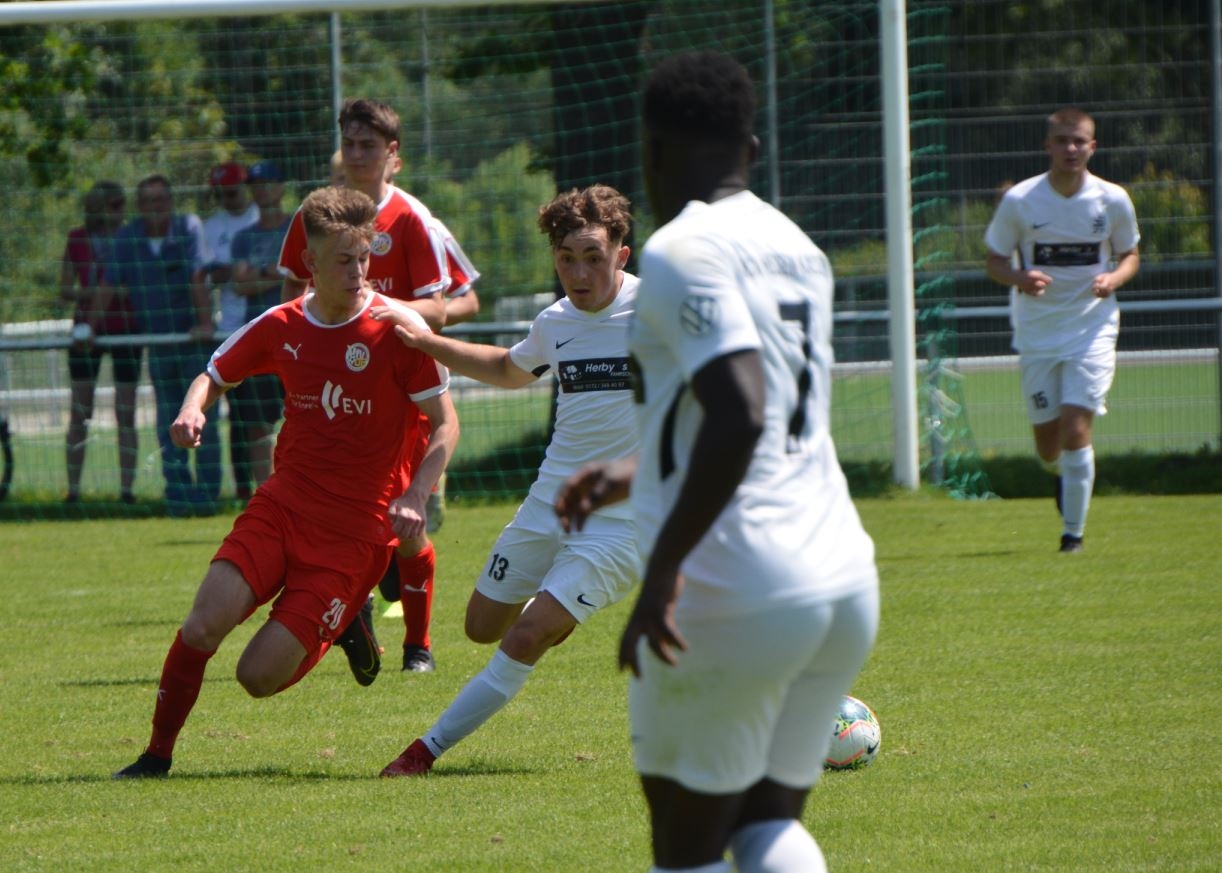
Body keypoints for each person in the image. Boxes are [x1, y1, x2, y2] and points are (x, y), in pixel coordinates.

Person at [553, 53, 880, 873]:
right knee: (767, 820)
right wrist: (634, 473)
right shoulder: (800, 246)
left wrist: (663, 570)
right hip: (839, 575)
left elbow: (740, 410)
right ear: (752, 149)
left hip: (737, 580)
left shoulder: (681, 249)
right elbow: (764, 420)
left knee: (686, 841)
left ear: (653, 151)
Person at [112, 186, 459, 779]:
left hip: (354, 533)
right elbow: (212, 374)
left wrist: (414, 493)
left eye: (364, 258)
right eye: (344, 260)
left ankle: (343, 620)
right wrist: (192, 410)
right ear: (310, 263)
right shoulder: (282, 324)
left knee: (256, 677)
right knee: (202, 625)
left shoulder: (397, 330)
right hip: (283, 505)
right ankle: (155, 757)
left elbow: (446, 422)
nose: (358, 272)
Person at [378, 185, 638, 778]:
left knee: (522, 637)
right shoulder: (554, 321)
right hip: (549, 503)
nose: (579, 273)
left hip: (624, 524)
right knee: (480, 627)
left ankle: (424, 752)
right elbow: (507, 368)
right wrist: (427, 342)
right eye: (567, 258)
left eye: (593, 257)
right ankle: (555, 610)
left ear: (621, 254)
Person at [280, 98, 475, 674]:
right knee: (326, 511)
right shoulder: (315, 215)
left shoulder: (412, 218)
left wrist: (381, 311)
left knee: (404, 523)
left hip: (398, 387)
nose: (357, 155)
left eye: (368, 145)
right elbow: (291, 298)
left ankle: (418, 645)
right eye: (350, 143)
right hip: (332, 386)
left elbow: (446, 305)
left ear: (393, 154)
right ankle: (354, 613)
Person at [985, 107, 1140, 553]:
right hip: (1037, 333)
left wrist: (1113, 278)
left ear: (1093, 147)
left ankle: (1072, 536)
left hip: (1092, 328)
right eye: (1062, 141)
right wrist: (1020, 278)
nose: (1071, 148)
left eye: (1079, 141)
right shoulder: (1021, 200)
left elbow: (1130, 254)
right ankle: (1063, 476)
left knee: (1075, 428)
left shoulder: (1112, 199)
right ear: (1047, 146)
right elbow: (995, 261)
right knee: (1049, 448)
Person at [98, 174, 220, 516]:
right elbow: (108, 284)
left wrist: (205, 323)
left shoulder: (188, 227)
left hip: (194, 344)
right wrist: (88, 329)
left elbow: (198, 276)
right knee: (169, 422)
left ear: (171, 202)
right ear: (139, 206)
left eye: (162, 200)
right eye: (149, 201)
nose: (156, 207)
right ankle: (178, 497)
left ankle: (208, 497)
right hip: (160, 345)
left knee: (205, 418)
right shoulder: (128, 238)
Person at [60, 181, 138, 504]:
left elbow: (137, 285)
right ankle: (73, 491)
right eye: (114, 205)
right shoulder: (77, 239)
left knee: (126, 412)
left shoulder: (131, 237)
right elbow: (65, 289)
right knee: (79, 412)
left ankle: (127, 491)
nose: (120, 211)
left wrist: (113, 293)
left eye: (122, 204)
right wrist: (99, 293)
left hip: (126, 330)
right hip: (85, 335)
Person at [227, 160, 291, 491]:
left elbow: (306, 276)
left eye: (267, 182)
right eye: (255, 184)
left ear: (281, 186)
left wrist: (261, 275)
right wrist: (277, 271)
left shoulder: (298, 228)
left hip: (299, 337)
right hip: (261, 340)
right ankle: (267, 494)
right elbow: (240, 285)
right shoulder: (243, 238)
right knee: (258, 424)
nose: (261, 190)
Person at [203, 162, 261, 499]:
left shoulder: (261, 218)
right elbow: (210, 274)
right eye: (222, 193)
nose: (229, 198)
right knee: (238, 416)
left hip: (266, 324)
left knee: (269, 415)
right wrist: (243, 273)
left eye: (234, 191)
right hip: (230, 329)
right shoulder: (212, 227)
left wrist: (243, 274)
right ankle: (243, 489)